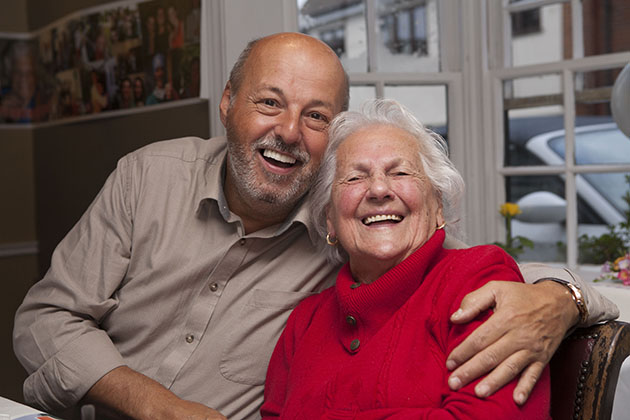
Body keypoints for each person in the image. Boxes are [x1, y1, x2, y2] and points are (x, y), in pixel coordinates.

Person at [13, 32, 617, 420]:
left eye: (316, 115)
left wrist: (564, 298)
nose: (288, 132)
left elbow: (456, 266)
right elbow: (46, 319)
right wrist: (154, 404)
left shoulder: (365, 230)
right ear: (228, 103)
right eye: (269, 102)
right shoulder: (148, 178)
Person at [261, 99, 550, 418]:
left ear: (437, 205)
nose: (379, 189)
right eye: (355, 178)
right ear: (330, 218)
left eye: (399, 172)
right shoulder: (305, 321)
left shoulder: (477, 281)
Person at [0, 41, 50, 123]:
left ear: (36, 75)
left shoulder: (44, 99)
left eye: (29, 72)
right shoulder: (1, 98)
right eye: (17, 72)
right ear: (10, 73)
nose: (23, 78)